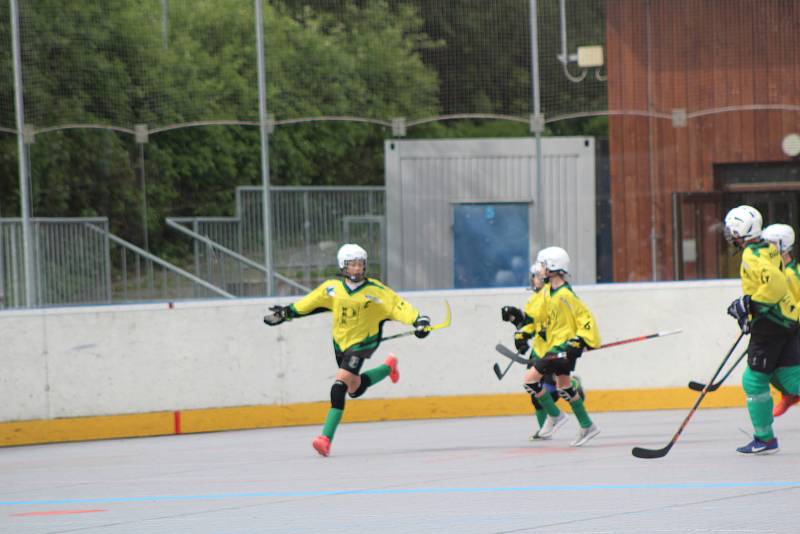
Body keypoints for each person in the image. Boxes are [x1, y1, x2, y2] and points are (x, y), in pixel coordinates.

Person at [263, 243, 432, 457]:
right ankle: (388, 368)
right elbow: (309, 303)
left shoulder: (375, 291)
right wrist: (286, 313)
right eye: (352, 264)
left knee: (338, 387)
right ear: (343, 266)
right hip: (341, 343)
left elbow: (398, 305)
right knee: (355, 388)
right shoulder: (332, 288)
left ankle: (325, 439)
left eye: (361, 264)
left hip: (364, 342)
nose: (358, 268)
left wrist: (418, 320)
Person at [723, 206, 800, 454]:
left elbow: (776, 285)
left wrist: (753, 304)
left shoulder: (751, 256)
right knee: (790, 377)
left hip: (771, 325)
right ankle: (765, 438)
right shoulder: (768, 248)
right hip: (785, 321)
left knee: (754, 380)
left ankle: (765, 439)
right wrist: (748, 306)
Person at [519, 246, 601, 447]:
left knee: (530, 381)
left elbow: (585, 317)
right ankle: (587, 425)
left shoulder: (565, 294)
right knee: (564, 386)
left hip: (563, 346)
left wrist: (581, 340)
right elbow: (537, 314)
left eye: (544, 265)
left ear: (554, 267)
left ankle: (555, 415)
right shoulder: (549, 291)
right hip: (555, 345)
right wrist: (519, 322)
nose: (540, 269)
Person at [501, 261, 584, 441]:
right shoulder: (536, 299)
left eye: (537, 276)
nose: (535, 280)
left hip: (552, 349)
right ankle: (543, 431)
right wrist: (520, 332)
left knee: (550, 391)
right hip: (540, 350)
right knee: (535, 395)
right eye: (534, 276)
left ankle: (574, 388)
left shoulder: (553, 296)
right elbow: (532, 324)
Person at [760, 223, 800, 417]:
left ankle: (791, 392)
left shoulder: (793, 274)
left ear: (782, 245)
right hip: (784, 328)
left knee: (784, 369)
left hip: (794, 329)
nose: (766, 248)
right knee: (768, 368)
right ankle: (789, 394)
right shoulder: (778, 272)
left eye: (770, 244)